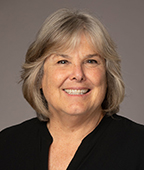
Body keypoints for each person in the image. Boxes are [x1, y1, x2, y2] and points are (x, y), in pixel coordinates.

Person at [0, 8, 144, 170]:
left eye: (91, 61)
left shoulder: (139, 147)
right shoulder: (6, 145)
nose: (78, 74)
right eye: (63, 61)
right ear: (39, 77)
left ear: (107, 76)